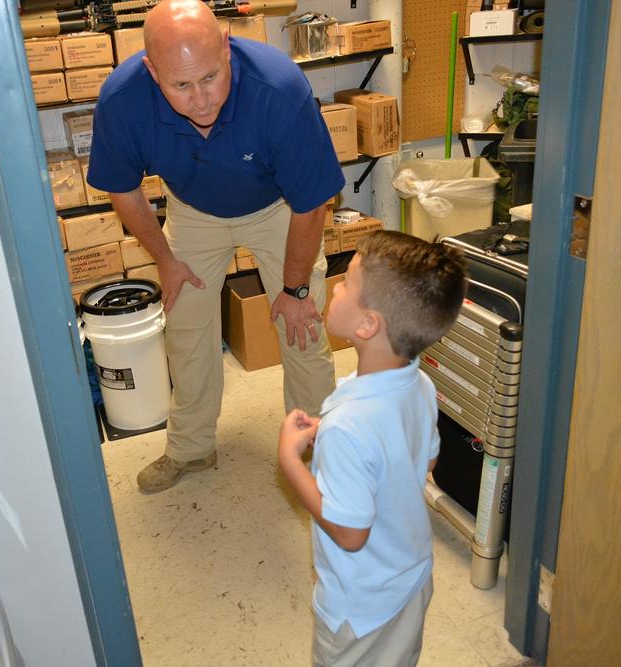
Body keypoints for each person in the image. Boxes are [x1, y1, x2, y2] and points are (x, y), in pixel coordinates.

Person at [86, 0, 344, 492]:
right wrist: (165, 261)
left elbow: (312, 205)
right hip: (193, 210)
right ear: (151, 71)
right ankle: (191, 447)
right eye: (180, 85)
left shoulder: (279, 87)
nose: (201, 100)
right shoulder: (122, 101)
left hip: (277, 207)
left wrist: (292, 291)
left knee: (303, 328)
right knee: (184, 329)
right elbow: (123, 190)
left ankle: (318, 448)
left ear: (227, 47)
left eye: (211, 77)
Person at [278, 231, 467, 666]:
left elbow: (350, 532)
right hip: (410, 581)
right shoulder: (419, 382)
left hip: (359, 611)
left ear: (368, 325)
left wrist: (291, 461)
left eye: (345, 282)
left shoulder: (350, 426)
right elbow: (427, 459)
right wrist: (333, 432)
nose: (335, 289)